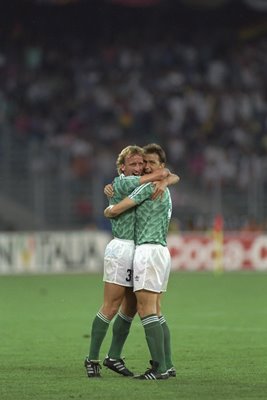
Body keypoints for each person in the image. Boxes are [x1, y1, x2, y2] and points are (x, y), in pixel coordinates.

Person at [84, 145, 174, 378]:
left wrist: (166, 179)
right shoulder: (122, 182)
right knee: (111, 306)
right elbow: (159, 175)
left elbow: (166, 175)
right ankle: (92, 359)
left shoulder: (145, 183)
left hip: (141, 251)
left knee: (132, 307)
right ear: (122, 167)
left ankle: (113, 357)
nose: (138, 168)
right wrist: (162, 176)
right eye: (133, 164)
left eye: (140, 163)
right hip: (123, 249)